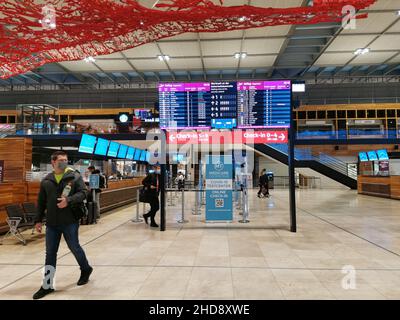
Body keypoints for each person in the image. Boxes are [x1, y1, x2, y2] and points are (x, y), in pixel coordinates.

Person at [32, 151, 93, 300]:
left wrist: (69, 200)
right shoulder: (47, 180)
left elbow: (85, 192)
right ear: (53, 162)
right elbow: (41, 202)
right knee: (50, 253)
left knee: (74, 247)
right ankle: (47, 285)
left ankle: (86, 269)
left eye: (66, 160)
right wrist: (38, 220)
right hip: (52, 223)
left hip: (70, 221)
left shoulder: (74, 176)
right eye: (61, 160)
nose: (64, 162)